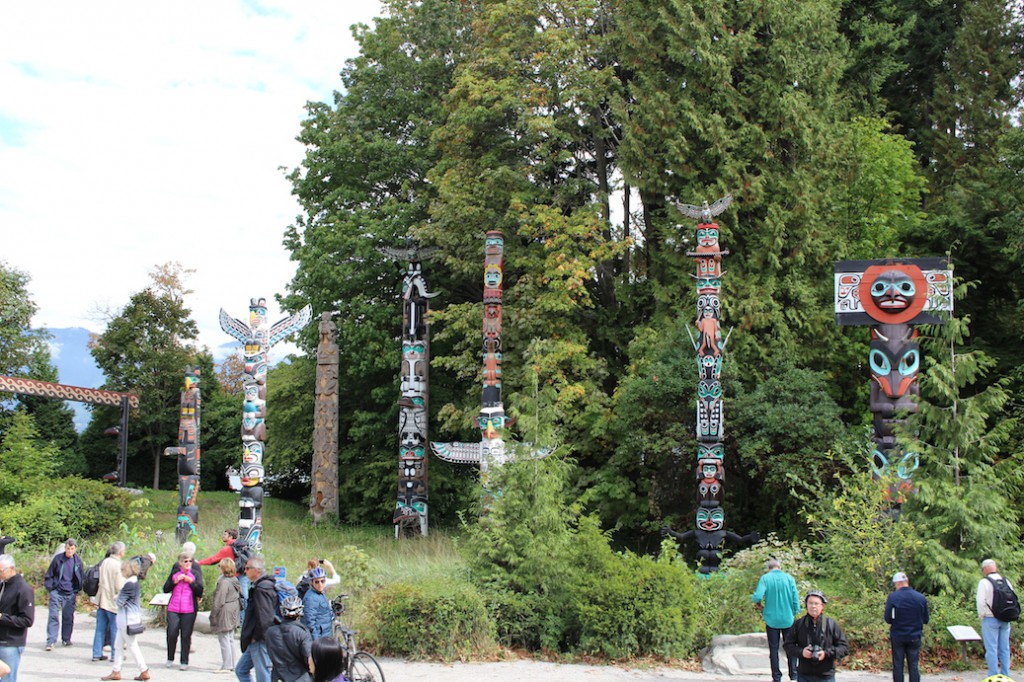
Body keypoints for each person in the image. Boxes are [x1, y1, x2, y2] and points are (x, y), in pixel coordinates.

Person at [102, 554, 154, 681]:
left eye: (123, 570)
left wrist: (116, 597)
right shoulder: (134, 583)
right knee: (118, 645)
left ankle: (144, 670)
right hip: (127, 618)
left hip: (126, 619)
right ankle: (116, 670)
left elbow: (119, 602)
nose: (122, 572)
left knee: (132, 646)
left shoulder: (129, 584)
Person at [752, 558, 801, 682]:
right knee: (790, 647)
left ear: (769, 568)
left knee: (774, 649)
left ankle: (776, 677)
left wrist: (758, 604)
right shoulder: (789, 578)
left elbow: (757, 596)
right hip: (788, 618)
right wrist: (795, 612)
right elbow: (795, 598)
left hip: (771, 619)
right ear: (780, 567)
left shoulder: (765, 578)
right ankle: (794, 676)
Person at [784, 591, 849, 682]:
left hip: (826, 675)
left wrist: (826, 653)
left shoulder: (831, 624)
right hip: (804, 674)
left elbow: (844, 648)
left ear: (822, 606)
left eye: (816, 604)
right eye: (810, 603)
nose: (813, 606)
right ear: (806, 605)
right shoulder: (799, 624)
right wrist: (802, 652)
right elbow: (788, 645)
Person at [236, 556, 276, 682]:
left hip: (260, 640)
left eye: (247, 568)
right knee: (241, 670)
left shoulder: (262, 589)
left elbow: (265, 617)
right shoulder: (260, 586)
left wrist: (257, 637)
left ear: (256, 570)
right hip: (256, 639)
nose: (245, 571)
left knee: (263, 675)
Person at [162, 552, 204, 671]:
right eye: (185, 561)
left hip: (189, 609)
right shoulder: (175, 573)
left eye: (190, 561)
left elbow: (200, 591)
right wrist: (174, 582)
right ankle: (170, 657)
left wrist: (191, 582)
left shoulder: (195, 574)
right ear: (180, 563)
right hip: (174, 608)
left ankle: (184, 661)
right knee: (172, 632)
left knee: (186, 635)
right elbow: (165, 589)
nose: (188, 564)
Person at [884, 571, 929, 682]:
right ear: (907, 581)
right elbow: (926, 619)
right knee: (913, 665)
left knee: (898, 665)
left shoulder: (893, 597)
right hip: (914, 635)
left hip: (898, 635)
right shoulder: (920, 597)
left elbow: (887, 618)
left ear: (897, 583)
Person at [43, 537, 84, 650]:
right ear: (65, 548)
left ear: (75, 549)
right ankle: (51, 641)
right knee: (53, 616)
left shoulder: (78, 562)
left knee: (68, 617)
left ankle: (66, 639)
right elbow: (49, 575)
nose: (69, 551)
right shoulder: (58, 559)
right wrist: (51, 589)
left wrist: (77, 591)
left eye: (71, 548)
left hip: (70, 593)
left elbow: (81, 578)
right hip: (57, 591)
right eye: (67, 548)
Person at [0, 554, 35, 682]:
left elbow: (27, 620)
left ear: (11, 568)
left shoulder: (23, 589)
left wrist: (3, 617)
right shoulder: (3, 584)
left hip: (11, 642)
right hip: (1, 639)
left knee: (7, 679)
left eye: (1, 571)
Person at [977, 558, 1013, 677]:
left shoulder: (984, 582)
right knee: (1005, 648)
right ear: (995, 568)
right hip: (1006, 618)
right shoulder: (1006, 581)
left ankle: (993, 675)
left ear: (985, 569)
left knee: (991, 648)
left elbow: (981, 601)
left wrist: (982, 615)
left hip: (990, 618)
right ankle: (1005, 674)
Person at [266, 595, 313, 682]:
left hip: (278, 677)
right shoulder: (302, 633)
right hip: (300, 678)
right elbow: (309, 659)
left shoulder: (270, 632)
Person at [93, 541, 127, 662]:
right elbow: (119, 585)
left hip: (102, 599)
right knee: (115, 629)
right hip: (113, 601)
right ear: (121, 552)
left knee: (100, 628)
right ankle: (115, 654)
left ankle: (96, 653)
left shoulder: (105, 561)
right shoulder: (118, 565)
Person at [211, 558, 243, 674]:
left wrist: (214, 614)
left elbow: (219, 600)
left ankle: (226, 665)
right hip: (234, 609)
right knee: (230, 638)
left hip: (225, 611)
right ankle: (232, 664)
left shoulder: (224, 581)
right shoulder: (234, 579)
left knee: (224, 638)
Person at [301, 568, 333, 640]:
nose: (320, 584)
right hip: (319, 639)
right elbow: (310, 624)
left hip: (326, 635)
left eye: (322, 581)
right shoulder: (311, 598)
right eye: (317, 582)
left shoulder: (320, 593)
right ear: (312, 582)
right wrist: (316, 643)